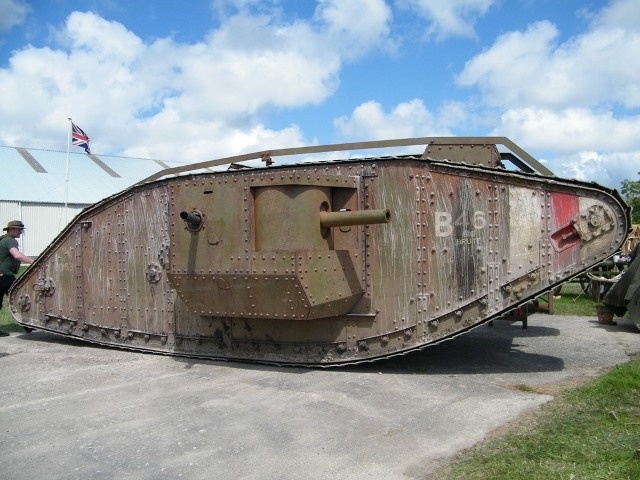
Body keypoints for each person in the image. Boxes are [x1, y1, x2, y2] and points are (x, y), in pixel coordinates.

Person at [0, 220, 34, 336]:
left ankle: (27, 326)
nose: (20, 232)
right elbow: (17, 255)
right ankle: (28, 325)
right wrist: (34, 262)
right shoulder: (10, 240)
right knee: (21, 297)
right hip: (5, 276)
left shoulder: (2, 239)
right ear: (12, 229)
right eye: (19, 230)